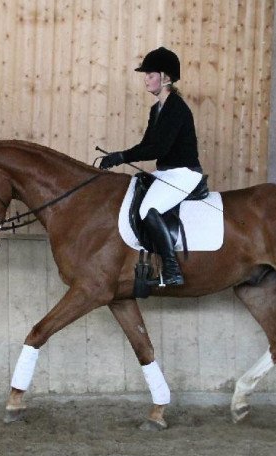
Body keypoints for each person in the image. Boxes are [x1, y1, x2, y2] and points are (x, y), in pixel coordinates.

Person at [100, 47, 203, 286]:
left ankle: (171, 269)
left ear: (165, 77)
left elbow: (159, 149)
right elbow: (147, 144)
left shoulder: (176, 107)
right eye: (145, 75)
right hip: (168, 173)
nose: (146, 79)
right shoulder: (156, 109)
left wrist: (122, 157)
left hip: (184, 174)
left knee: (148, 209)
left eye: (150, 74)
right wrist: (119, 156)